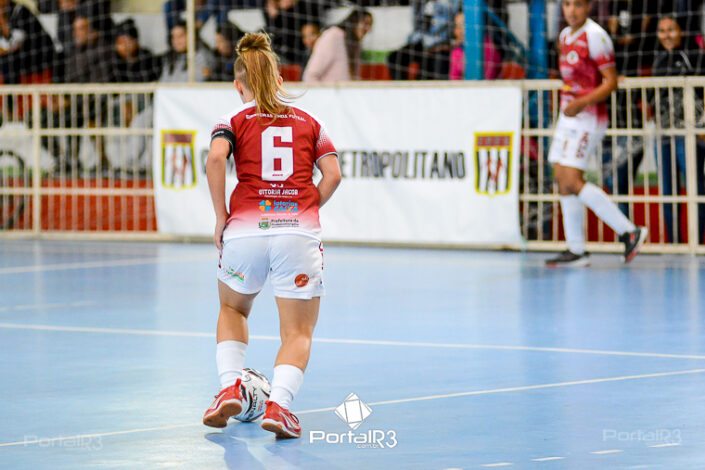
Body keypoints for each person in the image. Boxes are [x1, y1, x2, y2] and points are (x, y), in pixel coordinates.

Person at [202, 32, 342, 438]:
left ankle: (230, 385)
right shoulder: (310, 121)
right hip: (297, 233)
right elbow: (333, 174)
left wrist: (220, 216)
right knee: (297, 331)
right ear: (279, 79)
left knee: (233, 310)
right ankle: (278, 406)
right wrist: (305, 205)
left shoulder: (231, 120)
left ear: (238, 85)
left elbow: (216, 158)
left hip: (245, 231)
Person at [546, 0, 647, 267]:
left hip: (589, 118)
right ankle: (576, 249)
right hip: (568, 116)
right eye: (567, 4)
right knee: (561, 178)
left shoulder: (595, 36)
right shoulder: (564, 35)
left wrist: (581, 102)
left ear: (588, 7)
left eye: (577, 5)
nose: (571, 10)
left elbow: (610, 81)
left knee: (572, 179)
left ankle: (629, 231)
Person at [651, 15, 705, 243]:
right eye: (662, 30)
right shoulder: (658, 60)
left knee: (695, 187)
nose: (666, 35)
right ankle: (674, 242)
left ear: (681, 31)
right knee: (667, 190)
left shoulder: (693, 56)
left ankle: (696, 241)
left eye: (671, 29)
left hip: (689, 132)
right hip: (664, 133)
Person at [387, 0, 459, 80]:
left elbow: (455, 27)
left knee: (436, 64)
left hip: (442, 45)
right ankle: (402, 87)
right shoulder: (419, 3)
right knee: (394, 58)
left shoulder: (451, 3)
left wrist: (449, 44)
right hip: (420, 44)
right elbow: (417, 28)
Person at [302, 8, 372, 83]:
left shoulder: (355, 44)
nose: (368, 29)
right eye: (366, 23)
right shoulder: (333, 36)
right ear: (354, 21)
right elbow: (310, 76)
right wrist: (324, 90)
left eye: (370, 25)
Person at [0, 0, 55, 84]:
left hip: (39, 61)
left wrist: (2, 21)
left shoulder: (21, 11)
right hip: (21, 62)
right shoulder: (7, 13)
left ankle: (10, 91)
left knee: (7, 63)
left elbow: (14, 43)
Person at [112, 19, 162, 83]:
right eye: (120, 43)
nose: (124, 46)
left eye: (127, 42)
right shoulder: (115, 63)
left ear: (136, 41)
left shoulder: (149, 60)